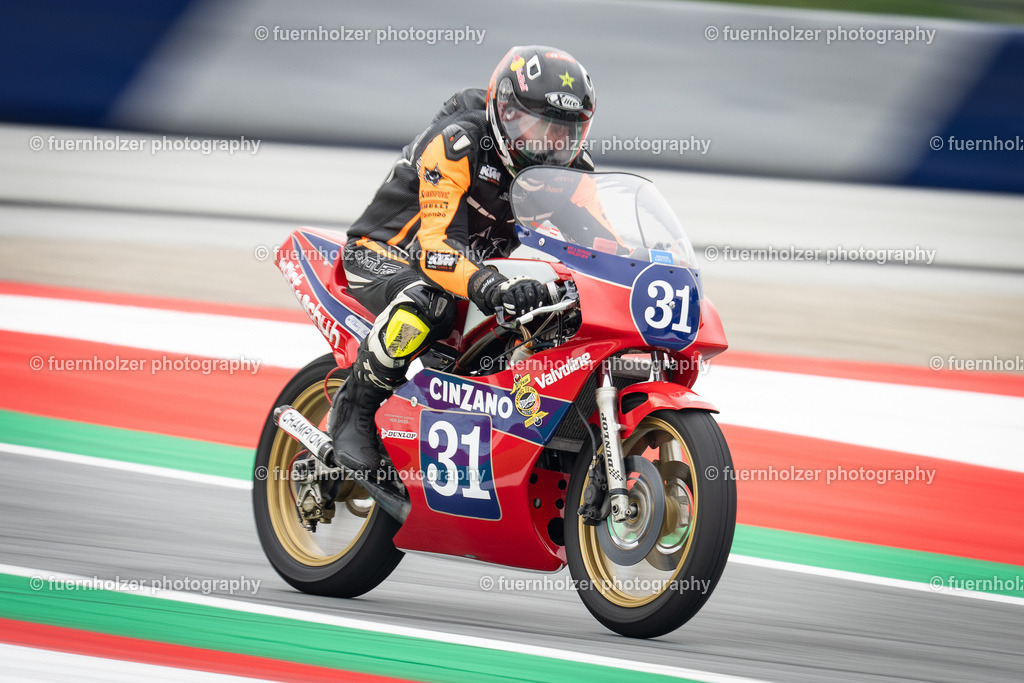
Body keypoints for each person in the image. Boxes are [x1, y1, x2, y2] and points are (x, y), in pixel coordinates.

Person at [328, 45, 597, 474]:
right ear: (506, 112)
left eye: (563, 133)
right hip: (387, 254)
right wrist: (492, 284)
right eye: (540, 126)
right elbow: (435, 249)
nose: (550, 146)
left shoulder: (572, 174)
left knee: (550, 318)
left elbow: (602, 246)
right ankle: (354, 408)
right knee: (430, 302)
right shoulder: (459, 142)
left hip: (469, 277)